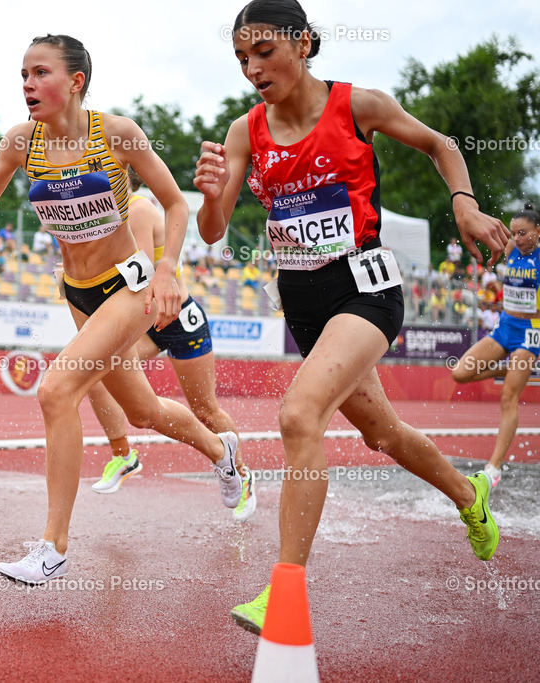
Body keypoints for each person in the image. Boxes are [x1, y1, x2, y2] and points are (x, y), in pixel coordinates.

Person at [196, 0, 510, 635]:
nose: (253, 68)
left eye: (264, 52)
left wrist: (466, 207)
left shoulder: (356, 105)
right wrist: (208, 197)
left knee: (298, 414)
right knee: (384, 435)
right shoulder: (242, 132)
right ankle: (469, 496)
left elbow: (440, 145)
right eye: (241, 58)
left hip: (365, 291)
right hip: (303, 303)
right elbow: (212, 232)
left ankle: (285, 592)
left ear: (305, 44)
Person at [0, 34, 240, 585]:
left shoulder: (116, 135)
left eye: (39, 73)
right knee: (141, 412)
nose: (26, 84)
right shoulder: (20, 143)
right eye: (22, 73)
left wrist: (167, 270)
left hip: (131, 287)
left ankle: (52, 547)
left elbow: (175, 202)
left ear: (76, 82)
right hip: (79, 291)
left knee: (56, 390)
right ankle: (221, 454)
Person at [80, 168, 257, 522]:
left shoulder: (138, 208)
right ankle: (123, 455)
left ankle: (241, 473)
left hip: (175, 316)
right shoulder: (101, 217)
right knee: (93, 370)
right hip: (145, 317)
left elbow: (141, 275)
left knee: (205, 409)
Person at [452, 204, 540, 487]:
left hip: (530, 333)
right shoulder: (512, 247)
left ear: (538, 232)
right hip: (505, 327)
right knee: (460, 373)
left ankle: (494, 467)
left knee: (508, 397)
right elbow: (492, 240)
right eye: (514, 233)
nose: (517, 237)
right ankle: (508, 367)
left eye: (523, 233)